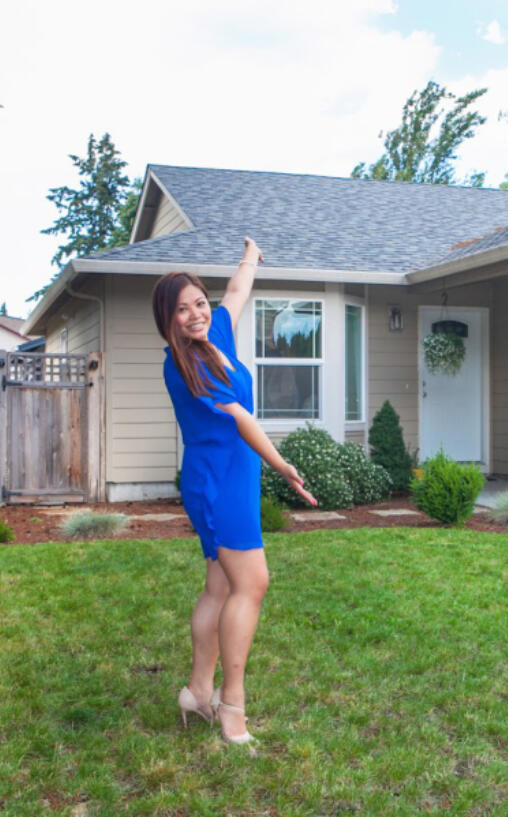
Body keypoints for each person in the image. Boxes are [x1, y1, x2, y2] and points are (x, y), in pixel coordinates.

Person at [151, 238, 317, 745]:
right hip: (218, 478)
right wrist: (284, 465)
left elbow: (237, 292)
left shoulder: (215, 333)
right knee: (252, 583)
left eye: (198, 302)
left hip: (229, 474)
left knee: (220, 586)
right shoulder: (186, 363)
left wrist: (251, 254)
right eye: (182, 310)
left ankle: (197, 693)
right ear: (168, 318)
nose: (195, 314)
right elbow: (241, 418)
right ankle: (231, 707)